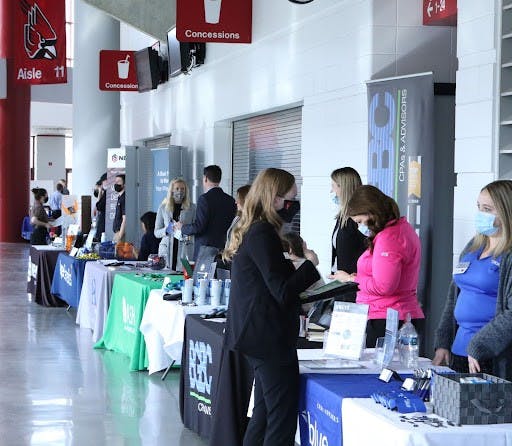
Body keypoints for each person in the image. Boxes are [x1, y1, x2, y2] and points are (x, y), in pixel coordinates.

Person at [223, 168, 320, 446]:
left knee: (265, 413)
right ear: (275, 199)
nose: (293, 206)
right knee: (281, 418)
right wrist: (310, 265)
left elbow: (269, 281)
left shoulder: (258, 232)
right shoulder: (262, 233)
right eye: (291, 199)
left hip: (260, 336)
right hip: (267, 338)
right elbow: (281, 290)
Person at [433, 180, 512, 379]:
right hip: (459, 350)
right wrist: (443, 341)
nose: (480, 214)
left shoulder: (508, 255)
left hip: (490, 355)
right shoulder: (472, 247)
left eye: (487, 209)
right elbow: (454, 298)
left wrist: (479, 344)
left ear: (506, 212)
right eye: (479, 207)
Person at [329, 185, 424, 348]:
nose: (360, 227)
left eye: (360, 221)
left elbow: (384, 286)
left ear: (371, 213)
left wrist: (351, 279)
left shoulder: (389, 239)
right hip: (391, 315)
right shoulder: (398, 231)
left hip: (388, 318)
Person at [175, 165, 236, 259]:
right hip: (223, 249)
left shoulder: (204, 199)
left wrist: (182, 227)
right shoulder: (230, 200)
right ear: (219, 179)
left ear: (205, 178)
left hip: (205, 250)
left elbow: (199, 227)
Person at [330, 167, 367, 275]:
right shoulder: (343, 216)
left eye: (333, 186)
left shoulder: (361, 219)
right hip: (341, 280)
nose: (331, 191)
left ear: (343, 188)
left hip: (354, 283)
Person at [154, 178, 196, 270]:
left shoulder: (192, 207)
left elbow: (196, 228)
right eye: (177, 188)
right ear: (171, 190)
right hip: (166, 249)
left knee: (187, 277)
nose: (180, 191)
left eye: (182, 189)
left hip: (186, 248)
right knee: (166, 278)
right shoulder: (163, 207)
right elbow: (156, 232)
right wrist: (167, 230)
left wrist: (184, 228)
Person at [112, 174, 126, 243]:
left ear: (124, 184)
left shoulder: (124, 198)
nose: (116, 183)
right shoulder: (120, 197)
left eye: (118, 182)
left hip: (121, 233)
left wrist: (120, 236)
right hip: (117, 232)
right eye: (115, 181)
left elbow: (125, 219)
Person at [94, 173, 107, 242]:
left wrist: (100, 192)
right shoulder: (105, 192)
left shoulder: (107, 193)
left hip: (104, 222)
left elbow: (98, 206)